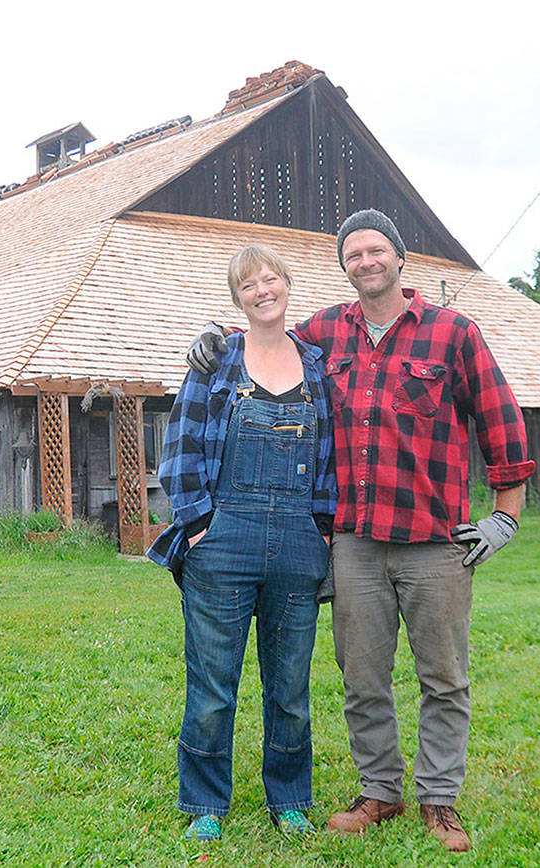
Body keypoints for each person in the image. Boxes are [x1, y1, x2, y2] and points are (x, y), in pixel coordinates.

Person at [185, 210, 535, 852]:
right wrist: (216, 334)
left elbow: (501, 424)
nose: (366, 261)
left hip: (436, 541)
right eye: (353, 254)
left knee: (444, 678)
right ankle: (380, 791)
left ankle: (440, 801)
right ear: (344, 267)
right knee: (363, 678)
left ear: (400, 258)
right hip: (354, 543)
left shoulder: (454, 333)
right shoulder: (327, 332)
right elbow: (266, 338)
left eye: (376, 250)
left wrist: (504, 516)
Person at [148, 245, 337, 842]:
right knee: (212, 688)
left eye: (271, 278)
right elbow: (180, 447)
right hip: (223, 539)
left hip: (299, 542)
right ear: (238, 299)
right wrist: (198, 525)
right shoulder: (217, 361)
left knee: (290, 690)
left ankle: (290, 800)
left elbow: (329, 456)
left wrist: (322, 529)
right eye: (249, 284)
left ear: (287, 284)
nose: (263, 290)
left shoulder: (316, 365)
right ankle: (206, 803)